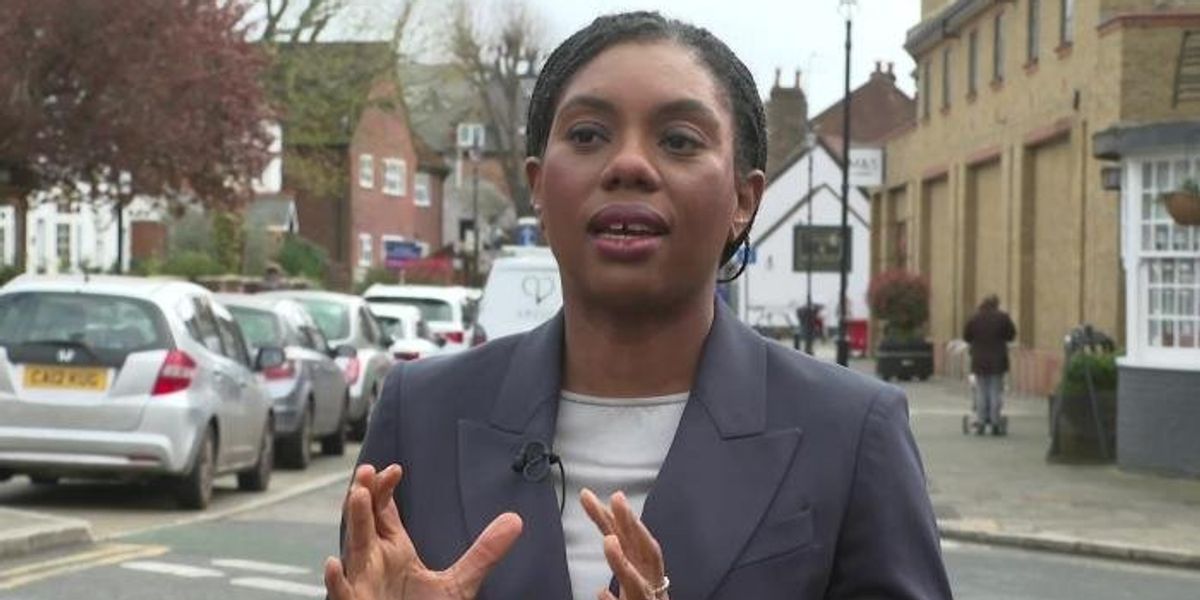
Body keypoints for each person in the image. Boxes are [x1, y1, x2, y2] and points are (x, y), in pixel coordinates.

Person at [324, 11, 951, 600]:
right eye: (587, 135)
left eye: (679, 140)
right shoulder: (419, 412)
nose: (628, 164)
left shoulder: (851, 431)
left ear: (744, 199)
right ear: (538, 186)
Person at [963, 294, 1017, 435]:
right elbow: (1011, 335)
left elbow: (967, 337)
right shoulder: (1003, 318)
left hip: (979, 361)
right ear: (996, 304)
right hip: (998, 361)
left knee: (981, 391)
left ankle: (981, 421)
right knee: (995, 391)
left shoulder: (975, 319)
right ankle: (995, 422)